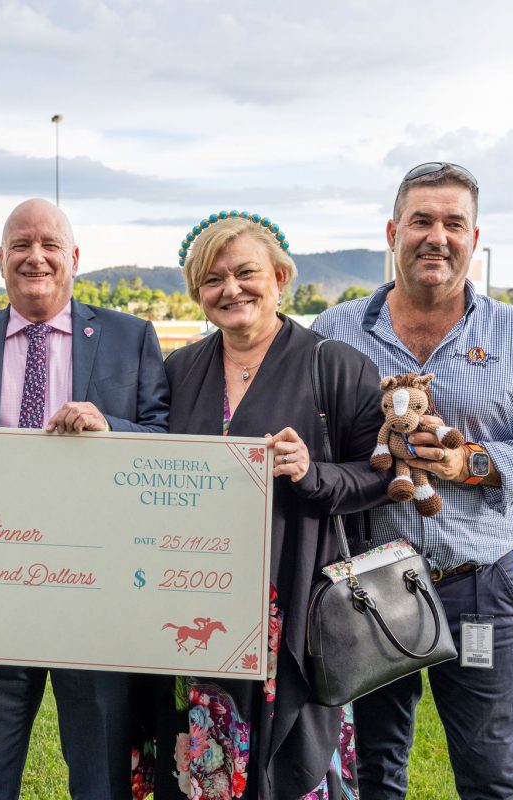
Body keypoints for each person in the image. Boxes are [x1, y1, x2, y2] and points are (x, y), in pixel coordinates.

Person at [312, 162, 513, 799]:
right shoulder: (337, 332)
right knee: (373, 774)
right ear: (392, 232)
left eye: (453, 223)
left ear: (473, 236)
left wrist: (474, 463)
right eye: (421, 221)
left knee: (491, 776)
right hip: (367, 588)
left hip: (478, 587)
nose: (437, 236)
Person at [144, 210, 392, 799]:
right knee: (204, 763)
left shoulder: (334, 366)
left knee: (289, 769)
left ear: (280, 277)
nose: (230, 289)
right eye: (212, 279)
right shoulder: (179, 370)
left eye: (246, 272)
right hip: (198, 599)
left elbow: (381, 474)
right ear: (198, 294)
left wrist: (313, 474)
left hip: (297, 601)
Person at [0, 198, 170, 799]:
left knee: (101, 779)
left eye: (49, 245)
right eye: (20, 245)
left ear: (74, 258)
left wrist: (112, 427)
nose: (35, 257)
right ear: (1, 258)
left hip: (93, 591)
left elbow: (166, 442)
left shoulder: (130, 337)